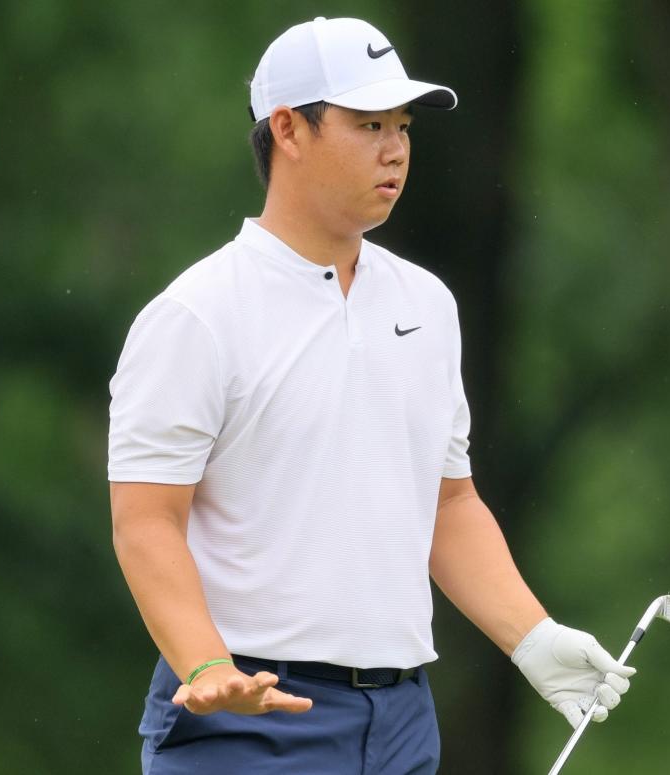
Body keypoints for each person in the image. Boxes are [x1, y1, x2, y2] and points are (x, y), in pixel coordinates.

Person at [108, 16, 635, 774]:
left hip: (399, 722)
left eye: (402, 126)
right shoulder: (197, 315)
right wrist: (202, 665)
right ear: (287, 129)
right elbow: (146, 521)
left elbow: (448, 503)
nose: (395, 148)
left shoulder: (427, 304)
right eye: (367, 125)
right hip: (248, 718)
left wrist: (533, 634)